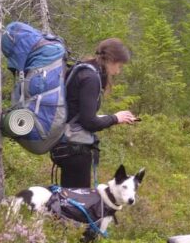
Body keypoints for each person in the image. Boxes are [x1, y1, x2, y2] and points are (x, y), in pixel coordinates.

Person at [49, 38, 138, 188]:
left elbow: (77, 113)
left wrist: (110, 118)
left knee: (68, 202)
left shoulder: (82, 70)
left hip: (65, 144)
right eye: (120, 65)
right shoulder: (91, 78)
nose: (119, 71)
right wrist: (115, 118)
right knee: (76, 204)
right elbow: (89, 122)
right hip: (75, 150)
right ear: (112, 60)